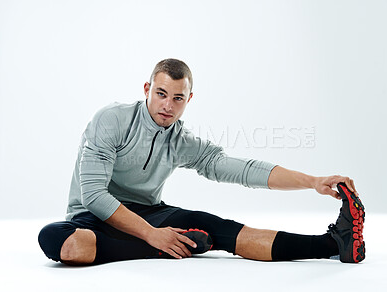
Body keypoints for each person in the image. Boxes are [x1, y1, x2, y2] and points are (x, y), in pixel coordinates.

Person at [38, 58, 365, 266]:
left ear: (188, 99)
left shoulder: (182, 141)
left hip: (152, 212)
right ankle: (158, 248)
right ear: (147, 89)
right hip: (91, 218)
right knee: (61, 242)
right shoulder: (111, 120)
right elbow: (94, 195)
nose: (168, 105)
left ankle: (333, 244)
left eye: (178, 98)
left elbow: (242, 169)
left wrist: (312, 181)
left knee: (226, 230)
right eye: (161, 94)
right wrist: (154, 236)